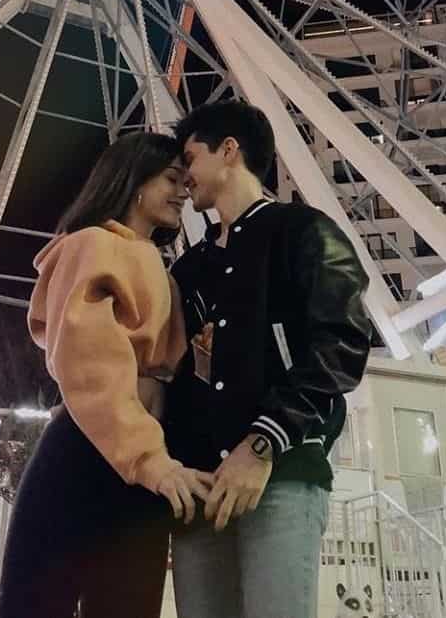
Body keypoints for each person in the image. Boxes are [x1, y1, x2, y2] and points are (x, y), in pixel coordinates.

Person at [165, 100, 372, 618]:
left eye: (190, 158)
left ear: (229, 150)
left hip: (279, 474)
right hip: (199, 488)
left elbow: (342, 344)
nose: (183, 176)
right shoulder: (192, 267)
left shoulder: (303, 232)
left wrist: (261, 444)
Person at [0, 132, 214, 618]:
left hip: (145, 462)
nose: (183, 192)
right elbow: (90, 362)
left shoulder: (158, 266)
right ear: (134, 181)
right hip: (94, 452)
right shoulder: (93, 246)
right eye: (171, 179)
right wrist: (150, 458)